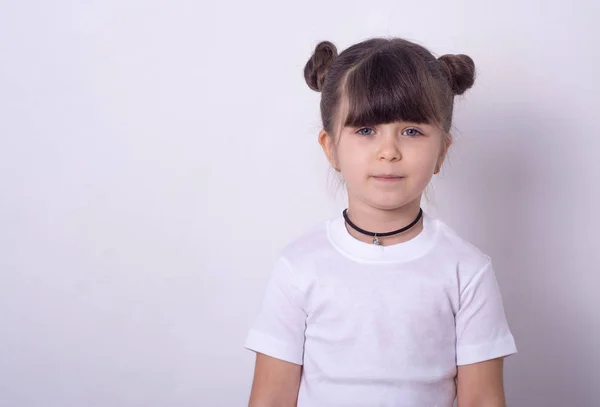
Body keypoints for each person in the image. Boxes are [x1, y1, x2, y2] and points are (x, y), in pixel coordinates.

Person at [244, 37, 517, 407]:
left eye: (411, 131)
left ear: (442, 152)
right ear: (330, 148)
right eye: (366, 130)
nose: (388, 151)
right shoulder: (299, 266)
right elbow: (271, 398)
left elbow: (483, 399)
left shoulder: (466, 271)